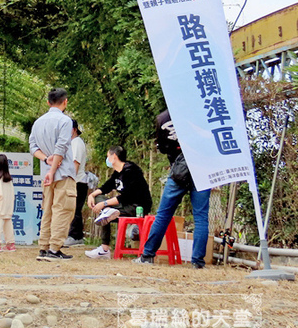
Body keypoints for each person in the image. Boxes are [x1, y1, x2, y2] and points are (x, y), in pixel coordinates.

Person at [136, 109, 211, 269]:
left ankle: (148, 255)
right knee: (201, 217)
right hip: (202, 168)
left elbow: (162, 147)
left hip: (178, 169)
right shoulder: (202, 112)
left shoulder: (163, 117)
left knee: (163, 214)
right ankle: (197, 262)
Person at [29, 87, 76, 262]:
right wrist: (53, 169)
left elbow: (33, 147)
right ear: (65, 102)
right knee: (63, 210)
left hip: (46, 176)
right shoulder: (65, 121)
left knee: (47, 210)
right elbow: (62, 146)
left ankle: (44, 246)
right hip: (61, 173)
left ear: (48, 102)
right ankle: (55, 249)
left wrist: (46, 160)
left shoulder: (38, 122)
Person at [85, 145, 152, 259]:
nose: (107, 160)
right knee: (99, 200)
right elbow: (106, 186)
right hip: (123, 205)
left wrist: (105, 204)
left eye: (108, 156)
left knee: (105, 210)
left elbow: (127, 196)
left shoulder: (132, 171)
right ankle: (107, 213)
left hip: (136, 206)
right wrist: (92, 195)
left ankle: (104, 247)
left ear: (114, 157)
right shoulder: (117, 173)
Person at [63, 119, 88, 247]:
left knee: (75, 209)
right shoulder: (73, 143)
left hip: (78, 181)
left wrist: (70, 180)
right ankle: (74, 235)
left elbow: (75, 163)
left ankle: (75, 236)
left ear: (73, 130)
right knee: (73, 209)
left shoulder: (77, 143)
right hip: (76, 180)